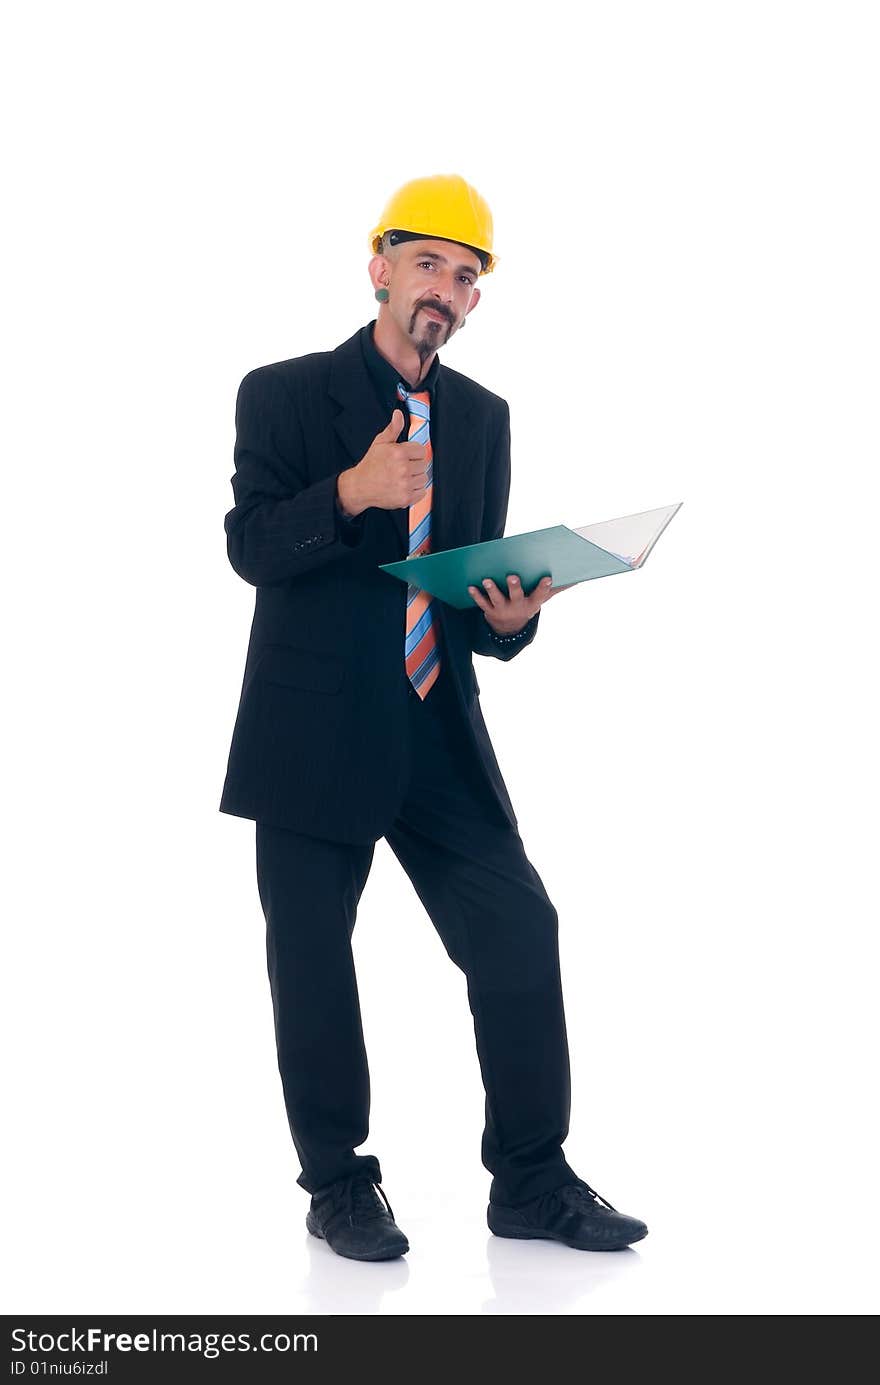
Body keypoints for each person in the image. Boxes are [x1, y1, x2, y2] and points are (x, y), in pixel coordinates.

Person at [219, 173, 648, 1262]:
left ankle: (533, 1180)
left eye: (465, 277)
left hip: (435, 725)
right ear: (379, 265)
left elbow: (464, 603)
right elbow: (251, 547)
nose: (445, 291)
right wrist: (350, 493)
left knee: (518, 931)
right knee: (312, 957)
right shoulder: (281, 393)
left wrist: (511, 617)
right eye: (428, 265)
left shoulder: (483, 418)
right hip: (313, 731)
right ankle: (338, 1184)